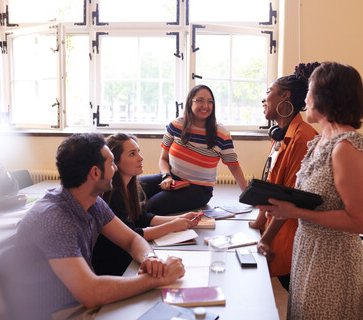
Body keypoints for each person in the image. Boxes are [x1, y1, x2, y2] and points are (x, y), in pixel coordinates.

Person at [13, 133, 185, 319]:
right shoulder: (55, 219)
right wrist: (157, 278)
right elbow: (91, 294)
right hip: (58, 313)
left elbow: (131, 239)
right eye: (112, 164)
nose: (115, 169)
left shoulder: (92, 201)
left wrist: (150, 259)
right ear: (95, 173)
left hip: (82, 303)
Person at [258, 62, 363, 319]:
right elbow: (297, 199)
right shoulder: (318, 142)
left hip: (333, 263)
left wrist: (296, 211)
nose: (305, 98)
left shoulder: (346, 147)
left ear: (327, 97)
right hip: (308, 253)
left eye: (310, 91)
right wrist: (266, 238)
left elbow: (362, 222)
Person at [249, 62, 320, 291]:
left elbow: (289, 197)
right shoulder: (280, 135)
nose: (264, 99)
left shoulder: (303, 138)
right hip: (275, 226)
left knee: (297, 293)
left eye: (268, 92)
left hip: (293, 234)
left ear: (285, 96)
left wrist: (265, 239)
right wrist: (258, 223)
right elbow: (272, 184)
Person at [92, 133, 203, 276]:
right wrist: (171, 226)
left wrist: (181, 219)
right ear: (115, 161)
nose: (140, 158)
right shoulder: (112, 194)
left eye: (138, 151)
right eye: (132, 154)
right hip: (116, 265)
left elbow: (142, 217)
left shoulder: (131, 187)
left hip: (129, 255)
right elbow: (133, 234)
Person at [139, 84, 248, 215]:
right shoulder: (175, 125)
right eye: (200, 100)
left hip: (198, 189)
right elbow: (163, 159)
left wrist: (247, 194)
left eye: (210, 102)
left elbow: (234, 166)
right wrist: (166, 176)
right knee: (132, 187)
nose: (206, 106)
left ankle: (137, 232)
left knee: (151, 206)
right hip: (172, 179)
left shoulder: (221, 133)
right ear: (190, 102)